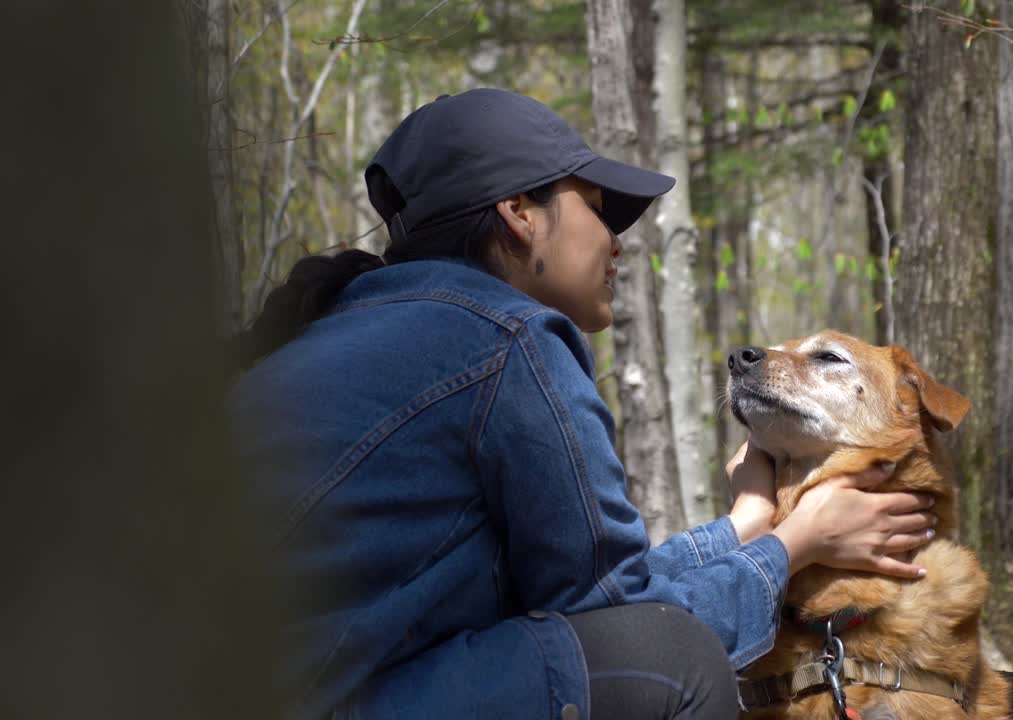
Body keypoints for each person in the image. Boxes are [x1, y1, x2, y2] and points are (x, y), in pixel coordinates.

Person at [229, 88, 938, 720]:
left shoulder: (348, 330)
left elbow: (592, 596)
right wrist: (798, 542)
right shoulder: (510, 340)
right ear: (518, 214)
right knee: (674, 658)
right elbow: (627, 627)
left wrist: (744, 525)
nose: (618, 243)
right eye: (597, 211)